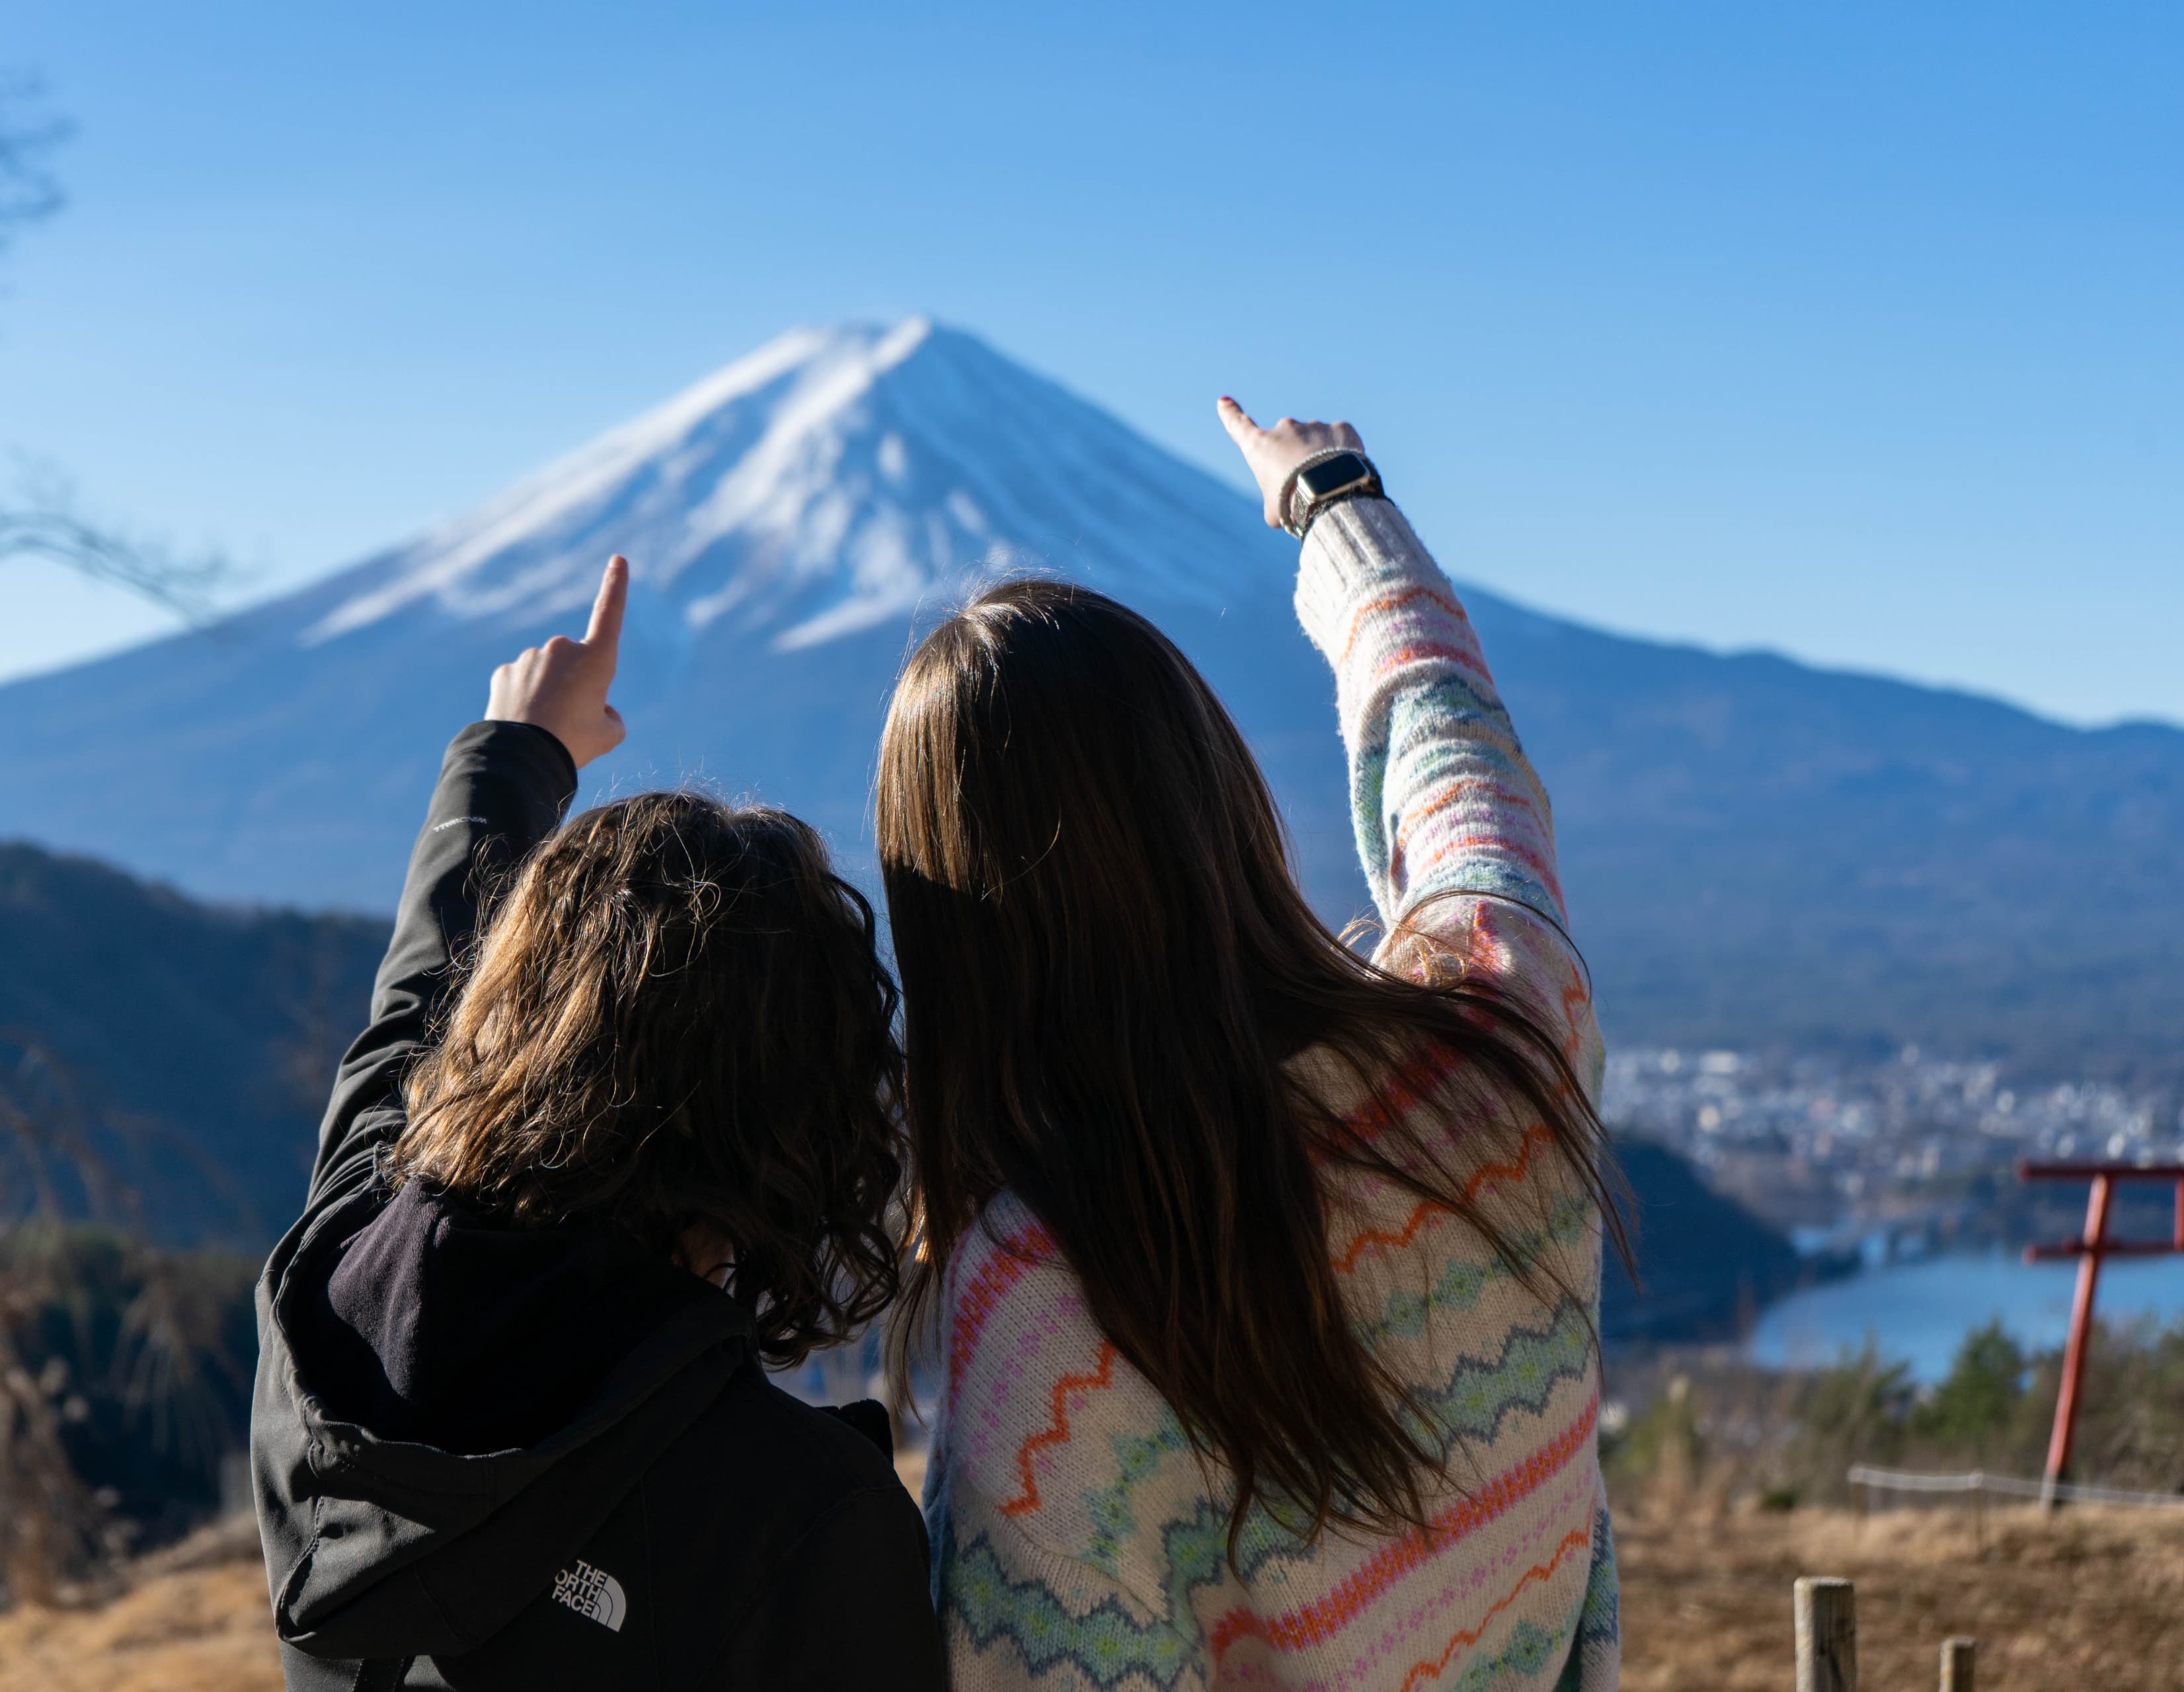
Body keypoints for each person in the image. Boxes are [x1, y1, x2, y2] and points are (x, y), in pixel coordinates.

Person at [879, 408, 1625, 1691]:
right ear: (1218, 799)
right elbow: (1459, 762)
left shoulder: (1051, 1298)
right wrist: (1338, 503)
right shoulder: (1502, 1037)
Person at [251, 557, 946, 1692]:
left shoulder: (329, 1308)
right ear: (805, 1106)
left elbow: (406, 1027)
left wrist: (515, 747)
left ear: (504, 1018)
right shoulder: (800, 1516)